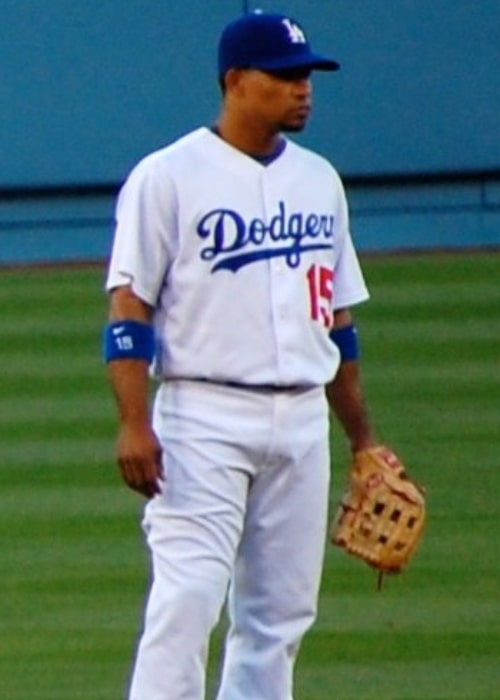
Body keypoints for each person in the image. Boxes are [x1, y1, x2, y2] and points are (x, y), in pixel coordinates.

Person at [103, 10, 377, 700]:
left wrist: (364, 441)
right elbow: (129, 309)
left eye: (307, 76)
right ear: (235, 81)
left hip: (303, 420)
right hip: (204, 417)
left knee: (279, 618)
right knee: (188, 599)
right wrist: (134, 421)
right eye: (286, 77)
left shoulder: (321, 182)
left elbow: (337, 324)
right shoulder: (167, 176)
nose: (303, 89)